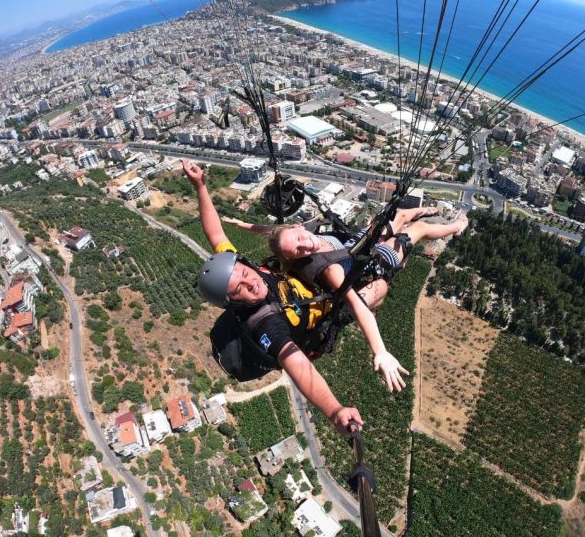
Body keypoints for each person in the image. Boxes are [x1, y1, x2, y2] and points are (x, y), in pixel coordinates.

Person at [183, 159, 363, 435]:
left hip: (306, 287)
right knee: (377, 290)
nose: (251, 283)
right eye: (239, 289)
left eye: (245, 273)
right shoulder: (264, 322)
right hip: (324, 315)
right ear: (234, 302)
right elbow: (296, 364)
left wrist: (200, 186)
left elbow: (215, 233)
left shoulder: (246, 271)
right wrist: (334, 410)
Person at [222, 206, 469, 392]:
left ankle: (425, 209)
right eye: (296, 251)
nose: (304, 246)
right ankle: (456, 227)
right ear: (292, 258)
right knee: (417, 230)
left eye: (299, 239)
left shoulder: (298, 235)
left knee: (400, 215)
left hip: (353, 246)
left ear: (297, 228)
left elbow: (270, 232)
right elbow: (357, 306)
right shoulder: (328, 270)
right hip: (371, 265)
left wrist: (240, 223)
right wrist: (380, 351)